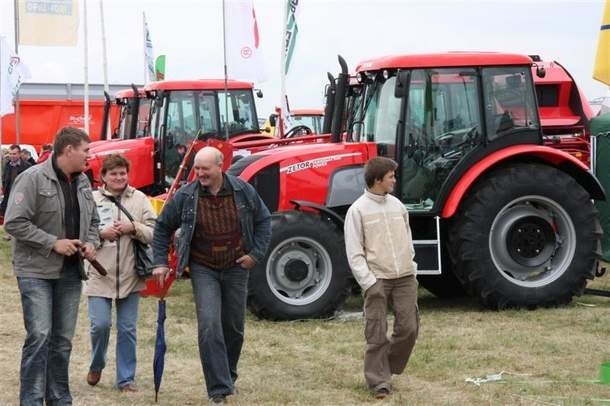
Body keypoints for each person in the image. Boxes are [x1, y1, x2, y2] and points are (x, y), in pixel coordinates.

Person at [151, 146, 271, 405]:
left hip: (237, 266)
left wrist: (256, 255)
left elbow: (264, 220)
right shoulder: (186, 195)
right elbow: (162, 227)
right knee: (209, 325)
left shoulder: (243, 191)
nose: (200, 173)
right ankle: (218, 390)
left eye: (205, 168)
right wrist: (159, 262)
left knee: (234, 327)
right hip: (203, 266)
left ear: (220, 166)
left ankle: (228, 375)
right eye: (197, 168)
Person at [4, 126, 100, 405]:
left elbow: (93, 221)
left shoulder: (83, 182)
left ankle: (59, 399)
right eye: (86, 150)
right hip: (35, 272)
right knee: (40, 336)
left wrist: (92, 242)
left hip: (71, 272)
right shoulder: (31, 178)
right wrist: (52, 242)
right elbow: (14, 222)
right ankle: (31, 400)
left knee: (63, 341)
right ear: (68, 150)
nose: (89, 157)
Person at [344, 156, 419, 400]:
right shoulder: (357, 210)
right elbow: (354, 252)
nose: (394, 181)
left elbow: (407, 240)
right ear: (377, 180)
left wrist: (412, 266)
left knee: (409, 329)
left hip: (405, 277)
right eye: (391, 177)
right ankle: (379, 382)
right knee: (376, 333)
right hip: (377, 280)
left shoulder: (398, 206)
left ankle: (384, 366)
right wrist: (369, 282)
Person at [84, 154, 157, 392]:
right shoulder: (91, 199)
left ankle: (126, 379)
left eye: (122, 173)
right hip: (99, 274)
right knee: (100, 325)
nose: (118, 177)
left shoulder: (139, 199)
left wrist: (133, 227)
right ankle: (97, 364)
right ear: (103, 176)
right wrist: (100, 235)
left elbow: (154, 232)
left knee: (127, 329)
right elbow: (81, 233)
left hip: (130, 274)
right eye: (113, 173)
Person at [1, 144, 31, 228]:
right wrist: (3, 188)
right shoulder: (7, 165)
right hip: (9, 194)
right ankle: (9, 232)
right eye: (10, 154)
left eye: (14, 154)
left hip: (21, 195)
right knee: (8, 214)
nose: (12, 156)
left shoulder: (27, 166)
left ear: (19, 154)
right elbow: (4, 178)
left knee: (19, 216)